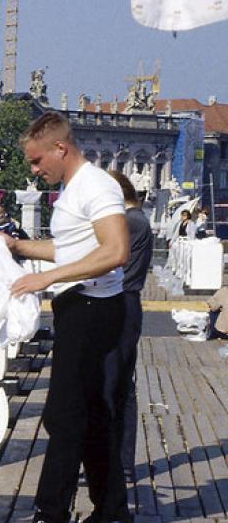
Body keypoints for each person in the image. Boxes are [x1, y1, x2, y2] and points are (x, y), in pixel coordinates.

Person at [0, 112, 129, 523]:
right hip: (82, 304)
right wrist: (17, 245)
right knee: (92, 414)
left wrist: (48, 278)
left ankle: (51, 518)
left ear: (60, 148)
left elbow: (116, 249)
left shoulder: (96, 186)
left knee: (64, 416)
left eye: (36, 159)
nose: (33, 169)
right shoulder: (74, 190)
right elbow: (70, 247)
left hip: (91, 306)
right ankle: (111, 515)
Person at [106, 170, 152, 482]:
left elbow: (105, 257)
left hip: (121, 303)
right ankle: (120, 462)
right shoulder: (138, 220)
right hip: (128, 304)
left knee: (112, 385)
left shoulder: (130, 222)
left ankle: (114, 463)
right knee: (121, 385)